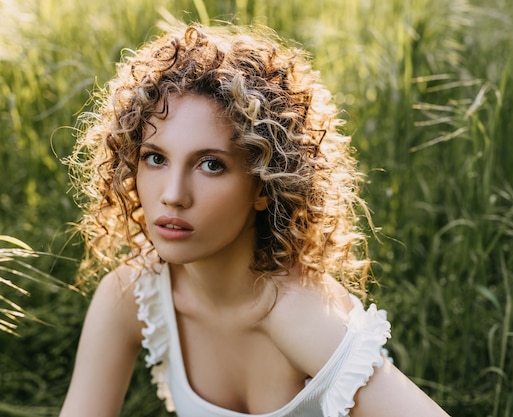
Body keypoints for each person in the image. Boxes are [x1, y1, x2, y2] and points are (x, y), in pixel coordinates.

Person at [60, 21, 450, 417]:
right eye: (156, 158)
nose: (173, 195)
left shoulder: (301, 314)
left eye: (210, 165)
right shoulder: (133, 294)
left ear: (265, 185)